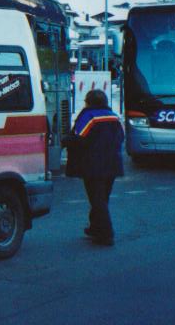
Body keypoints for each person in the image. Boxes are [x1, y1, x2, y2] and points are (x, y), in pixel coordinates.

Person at [64, 89, 124, 246]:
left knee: (96, 200)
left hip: (93, 165)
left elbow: (79, 138)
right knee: (103, 198)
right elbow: (121, 137)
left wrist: (64, 141)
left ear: (89, 102)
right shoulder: (114, 117)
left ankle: (106, 234)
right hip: (112, 164)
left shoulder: (89, 116)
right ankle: (95, 227)